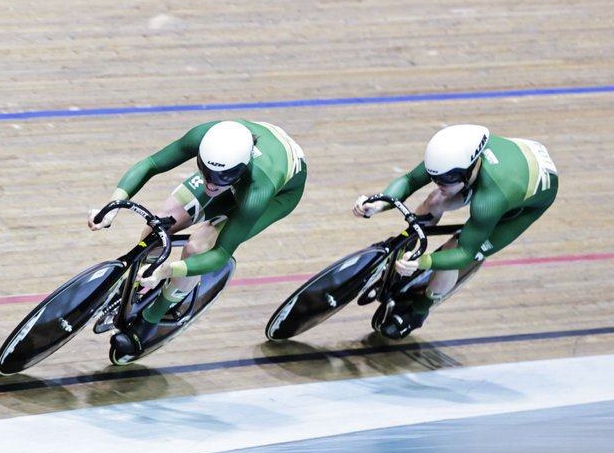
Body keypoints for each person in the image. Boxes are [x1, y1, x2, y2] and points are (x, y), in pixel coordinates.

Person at [89, 119, 307, 357]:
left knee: (198, 247)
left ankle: (151, 318)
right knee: (159, 225)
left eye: (221, 177)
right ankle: (139, 284)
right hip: (243, 163)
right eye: (206, 172)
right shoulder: (205, 139)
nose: (211, 184)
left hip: (279, 193)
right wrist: (112, 205)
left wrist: (166, 270)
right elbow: (151, 164)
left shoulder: (258, 190)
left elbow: (220, 254)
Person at [353, 123, 559, 337]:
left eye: (446, 178)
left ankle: (418, 312)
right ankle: (401, 261)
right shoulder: (449, 160)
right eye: (434, 176)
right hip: (513, 162)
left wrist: (421, 262)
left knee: (453, 248)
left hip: (524, 201)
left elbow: (463, 255)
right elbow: (410, 180)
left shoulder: (489, 200)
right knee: (435, 200)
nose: (438, 183)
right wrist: (379, 204)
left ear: (469, 169)